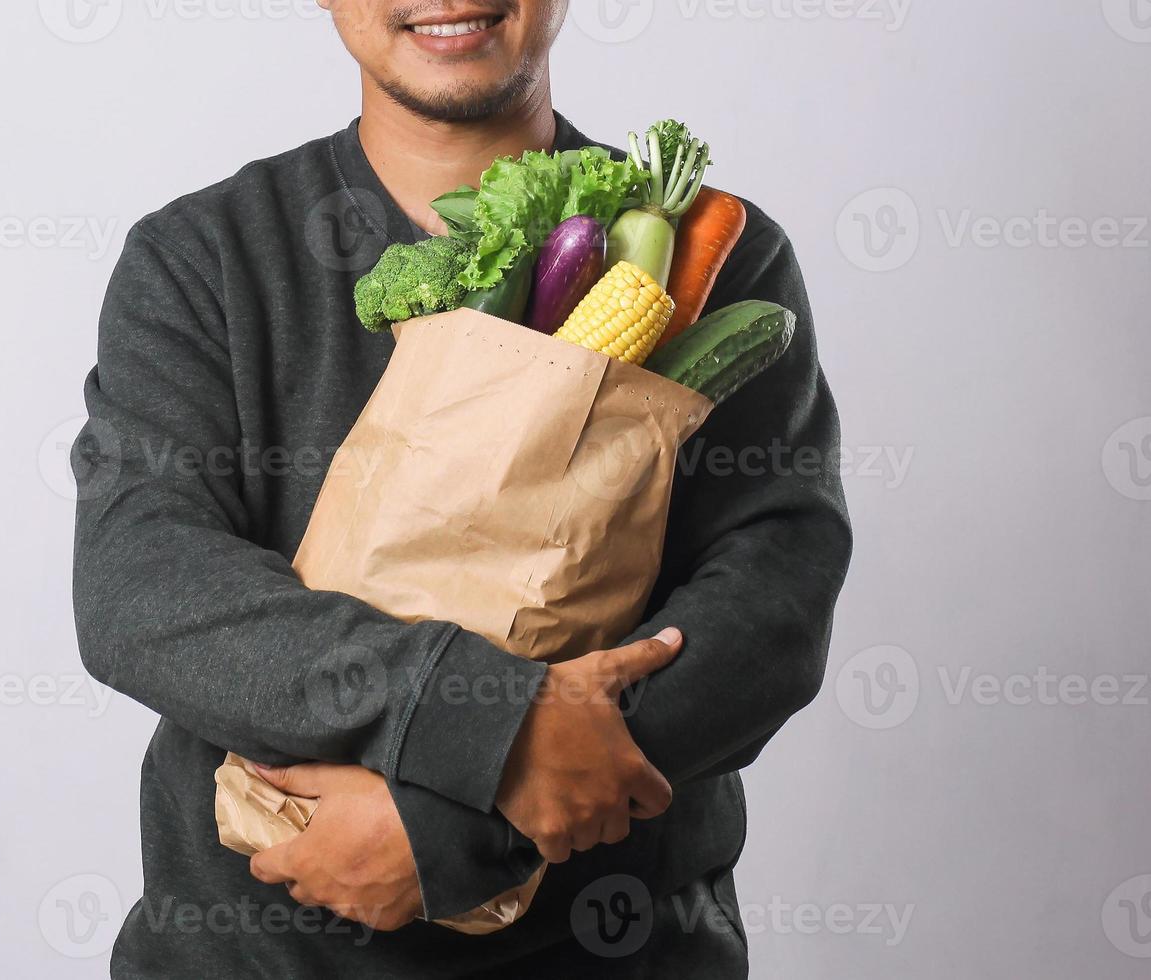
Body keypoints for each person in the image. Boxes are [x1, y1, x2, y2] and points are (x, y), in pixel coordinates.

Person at [71, 1, 852, 975]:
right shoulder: (202, 258)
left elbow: (769, 608)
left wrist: (468, 829)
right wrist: (494, 723)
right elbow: (142, 587)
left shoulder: (708, 251)